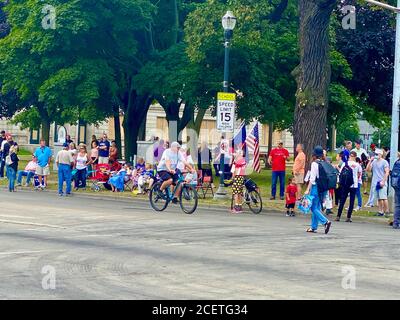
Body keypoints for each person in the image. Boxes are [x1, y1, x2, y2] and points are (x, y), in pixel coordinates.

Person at [304, 146, 332, 234]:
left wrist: (308, 189)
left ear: (314, 155)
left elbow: (312, 179)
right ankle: (313, 227)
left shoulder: (314, 164)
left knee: (313, 207)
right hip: (324, 188)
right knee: (317, 207)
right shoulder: (325, 163)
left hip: (316, 187)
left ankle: (325, 222)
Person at [336, 151, 362, 222]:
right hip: (354, 184)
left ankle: (338, 216)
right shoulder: (357, 165)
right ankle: (348, 217)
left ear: (349, 156)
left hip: (345, 184)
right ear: (355, 157)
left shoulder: (345, 163)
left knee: (342, 200)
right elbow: (359, 174)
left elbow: (340, 173)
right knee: (352, 201)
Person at [366, 148, 390, 216]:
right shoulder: (374, 162)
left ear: (381, 154)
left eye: (378, 154)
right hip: (375, 182)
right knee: (379, 198)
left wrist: (383, 181)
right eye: (376, 154)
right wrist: (370, 161)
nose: (376, 155)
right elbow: (368, 169)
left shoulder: (384, 162)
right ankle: (380, 211)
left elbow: (387, 172)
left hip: (382, 182)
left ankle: (387, 211)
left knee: (384, 197)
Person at [230, 148, 247, 213]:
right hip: (242, 177)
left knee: (236, 192)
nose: (235, 153)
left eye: (237, 153)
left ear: (240, 154)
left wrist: (233, 178)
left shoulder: (238, 160)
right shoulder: (243, 160)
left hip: (237, 177)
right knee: (239, 192)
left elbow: (234, 171)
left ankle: (236, 207)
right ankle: (239, 207)